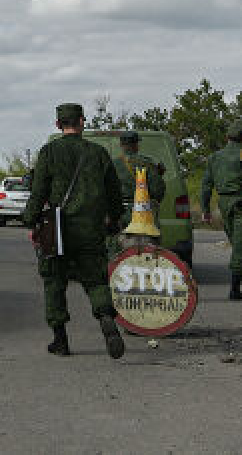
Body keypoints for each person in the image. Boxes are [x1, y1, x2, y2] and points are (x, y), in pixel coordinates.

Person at [22, 103, 126, 359]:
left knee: (54, 281)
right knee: (96, 279)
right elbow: (114, 193)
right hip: (91, 229)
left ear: (58, 125)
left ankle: (60, 340)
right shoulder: (99, 153)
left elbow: (38, 192)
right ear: (82, 122)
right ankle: (104, 317)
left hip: (57, 230)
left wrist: (31, 221)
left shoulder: (49, 152)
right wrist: (114, 220)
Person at [200, 121, 242, 301]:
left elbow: (206, 186)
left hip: (224, 205)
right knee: (240, 247)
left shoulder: (214, 157)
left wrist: (205, 210)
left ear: (227, 137)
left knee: (239, 243)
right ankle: (234, 289)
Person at [113, 131, 166, 230]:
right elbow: (158, 190)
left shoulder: (113, 164)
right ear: (136, 145)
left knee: (115, 242)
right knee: (150, 242)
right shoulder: (147, 162)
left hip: (120, 214)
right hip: (143, 212)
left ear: (121, 145)